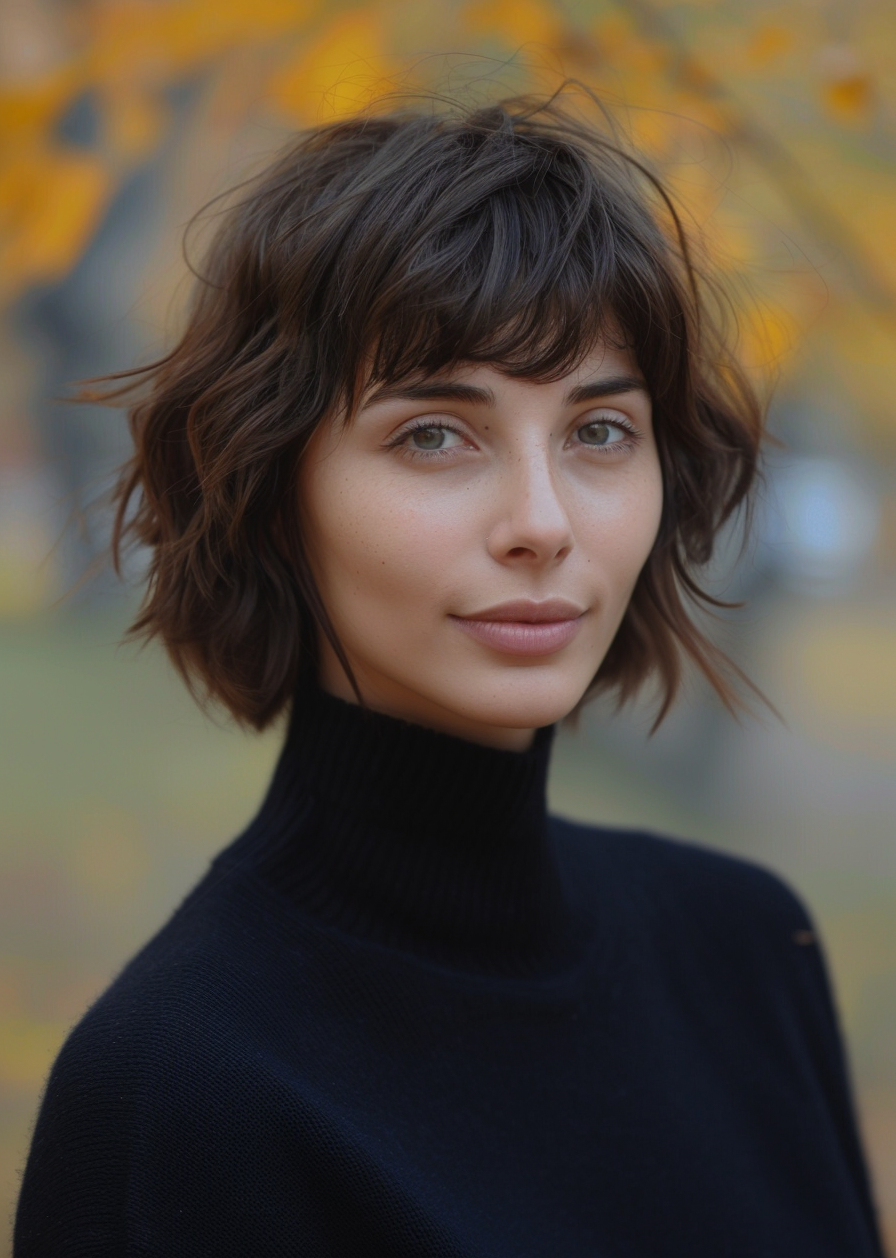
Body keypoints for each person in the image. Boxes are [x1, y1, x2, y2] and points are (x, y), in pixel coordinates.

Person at [14, 91, 885, 1257]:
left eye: (597, 432)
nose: (543, 523)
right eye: (434, 433)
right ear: (273, 493)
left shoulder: (741, 951)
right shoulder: (184, 1085)